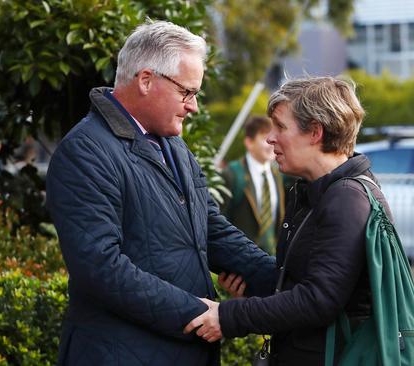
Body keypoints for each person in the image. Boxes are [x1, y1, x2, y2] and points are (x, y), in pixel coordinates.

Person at [45, 20, 276, 366]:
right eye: (187, 92)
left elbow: (210, 229)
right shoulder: (85, 152)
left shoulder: (173, 145)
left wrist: (284, 284)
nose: (193, 106)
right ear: (146, 80)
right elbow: (101, 268)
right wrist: (203, 315)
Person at [184, 76, 394, 365]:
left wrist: (229, 316)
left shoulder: (347, 198)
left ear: (315, 132)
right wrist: (256, 281)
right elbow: (307, 282)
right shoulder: (316, 190)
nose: (271, 138)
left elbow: (318, 300)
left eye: (281, 127)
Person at [221, 116, 285, 254]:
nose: (271, 143)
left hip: (273, 261)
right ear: (249, 142)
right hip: (243, 260)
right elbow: (220, 222)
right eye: (264, 138)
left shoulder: (279, 174)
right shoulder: (232, 174)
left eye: (273, 137)